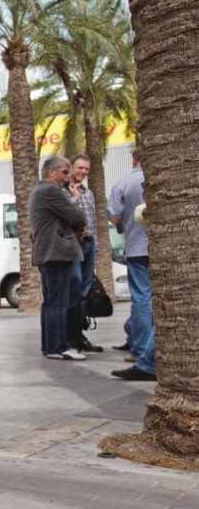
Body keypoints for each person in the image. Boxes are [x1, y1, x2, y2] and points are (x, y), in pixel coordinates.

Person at [28, 155, 87, 362]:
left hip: (48, 253)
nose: (67, 176)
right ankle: (57, 347)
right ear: (51, 172)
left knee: (52, 302)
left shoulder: (40, 190)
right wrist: (75, 200)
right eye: (64, 172)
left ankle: (51, 347)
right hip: (56, 253)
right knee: (58, 302)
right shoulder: (51, 191)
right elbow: (79, 217)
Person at [107, 152, 155, 381]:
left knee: (142, 299)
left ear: (134, 159)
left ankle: (142, 351)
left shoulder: (124, 182)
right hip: (166, 250)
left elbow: (114, 217)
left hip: (137, 248)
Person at [65, 155, 102, 352]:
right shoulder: (63, 191)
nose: (84, 172)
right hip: (73, 247)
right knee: (74, 289)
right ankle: (70, 336)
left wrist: (95, 246)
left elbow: (93, 220)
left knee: (84, 291)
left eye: (87, 169)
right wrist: (73, 198)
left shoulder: (88, 193)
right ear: (71, 167)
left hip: (88, 244)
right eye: (80, 168)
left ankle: (79, 335)